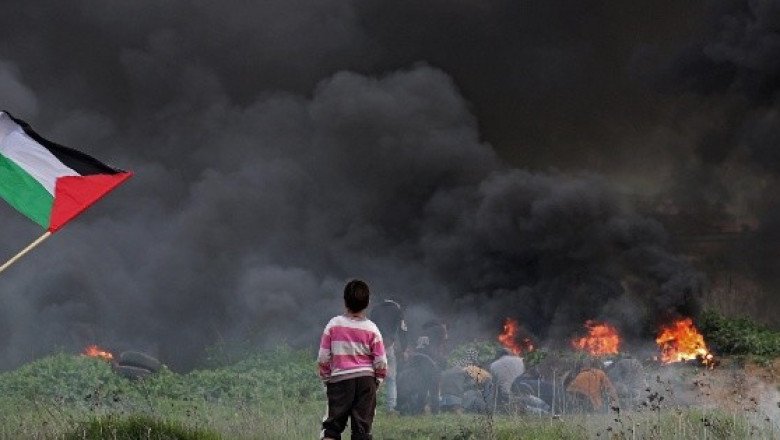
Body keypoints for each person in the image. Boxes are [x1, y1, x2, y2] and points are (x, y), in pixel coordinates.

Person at [318, 280, 387, 440]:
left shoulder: (334, 325)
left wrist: (327, 378)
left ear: (344, 300)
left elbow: (323, 357)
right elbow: (381, 360)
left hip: (340, 380)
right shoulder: (372, 328)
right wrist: (377, 380)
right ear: (368, 303)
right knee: (362, 431)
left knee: (332, 428)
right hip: (366, 381)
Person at [369, 299, 408, 413]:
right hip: (387, 346)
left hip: (374, 346)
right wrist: (404, 349)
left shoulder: (375, 309)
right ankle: (391, 408)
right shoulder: (397, 310)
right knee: (391, 378)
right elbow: (402, 330)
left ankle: (369, 406)